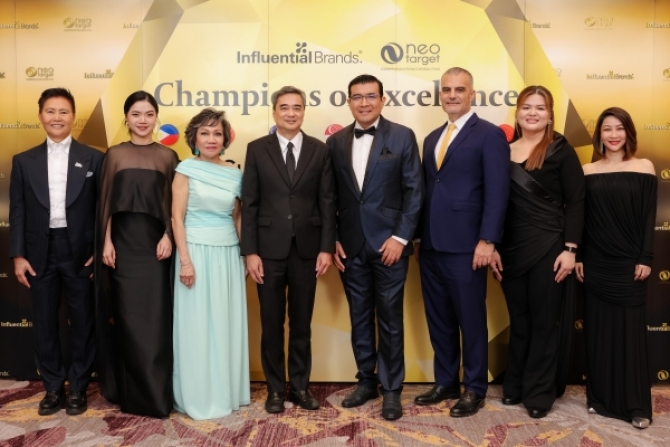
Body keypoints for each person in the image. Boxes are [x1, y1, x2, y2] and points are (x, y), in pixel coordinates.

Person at [413, 67, 509, 417]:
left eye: (459, 89)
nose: (452, 95)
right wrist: (419, 236)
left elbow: (497, 192)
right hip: (431, 246)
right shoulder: (431, 138)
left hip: (468, 246)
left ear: (472, 94)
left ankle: (474, 387)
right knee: (439, 319)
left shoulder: (489, 134)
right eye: (447, 90)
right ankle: (446, 382)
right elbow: (427, 191)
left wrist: (488, 240)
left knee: (470, 319)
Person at [327, 74, 423, 421]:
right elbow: (329, 196)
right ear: (348, 102)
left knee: (391, 318)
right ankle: (366, 381)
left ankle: (392, 389)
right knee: (359, 316)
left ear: (383, 100)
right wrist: (333, 238)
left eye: (371, 96)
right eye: (357, 97)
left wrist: (400, 238)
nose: (364, 103)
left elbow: (415, 190)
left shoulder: (402, 136)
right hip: (350, 246)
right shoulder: (335, 141)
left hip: (389, 246)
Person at [489, 86, 584, 419]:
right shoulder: (502, 151)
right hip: (510, 250)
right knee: (520, 320)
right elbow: (494, 204)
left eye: (540, 108)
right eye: (527, 107)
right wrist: (493, 246)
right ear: (517, 112)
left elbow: (577, 201)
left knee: (544, 322)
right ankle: (514, 385)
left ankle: (539, 393)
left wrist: (570, 249)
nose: (532, 113)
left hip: (549, 248)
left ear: (550, 114)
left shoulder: (560, 150)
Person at [241, 86, 335, 414]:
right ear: (274, 111)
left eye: (297, 107)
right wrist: (250, 252)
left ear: (304, 111)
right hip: (267, 251)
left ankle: (300, 387)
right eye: (284, 107)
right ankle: (274, 390)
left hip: (307, 250)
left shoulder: (320, 150)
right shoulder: (256, 149)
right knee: (271, 324)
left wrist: (326, 248)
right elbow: (250, 203)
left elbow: (327, 201)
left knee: (301, 324)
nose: (291, 113)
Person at [9, 88, 103, 416]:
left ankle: (77, 387)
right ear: (40, 116)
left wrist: (98, 248)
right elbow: (17, 210)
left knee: (83, 321)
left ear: (73, 117)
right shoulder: (23, 161)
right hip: (39, 251)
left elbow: (101, 209)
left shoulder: (94, 158)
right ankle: (52, 387)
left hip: (80, 251)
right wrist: (18, 255)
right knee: (44, 322)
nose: (57, 117)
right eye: (51, 111)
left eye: (64, 111)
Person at [96, 90, 179, 418]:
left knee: (156, 321)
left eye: (148, 114)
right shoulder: (115, 154)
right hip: (122, 248)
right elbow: (105, 203)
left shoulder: (168, 157)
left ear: (156, 118)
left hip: (156, 248)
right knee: (128, 320)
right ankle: (131, 395)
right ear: (126, 118)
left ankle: (157, 396)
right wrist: (106, 242)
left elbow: (174, 205)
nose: (143, 120)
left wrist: (168, 236)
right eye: (136, 114)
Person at [576, 107, 656, 429]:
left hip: (629, 262)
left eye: (619, 128)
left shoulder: (644, 166)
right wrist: (578, 256)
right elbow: (581, 219)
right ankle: (600, 399)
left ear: (628, 133)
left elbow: (649, 216)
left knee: (630, 334)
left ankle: (637, 406)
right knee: (598, 332)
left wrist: (645, 257)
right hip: (595, 262)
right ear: (599, 135)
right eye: (607, 129)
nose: (613, 135)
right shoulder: (587, 170)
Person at [171, 108, 250, 420]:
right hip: (195, 253)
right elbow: (177, 218)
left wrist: (245, 255)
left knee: (225, 324)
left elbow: (237, 218)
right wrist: (185, 261)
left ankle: (225, 391)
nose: (211, 139)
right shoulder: (185, 170)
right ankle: (198, 394)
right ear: (194, 138)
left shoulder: (235, 174)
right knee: (197, 327)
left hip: (228, 255)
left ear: (226, 139)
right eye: (204, 133)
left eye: (217, 133)